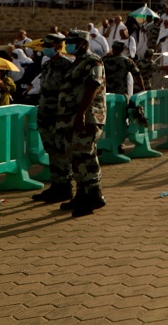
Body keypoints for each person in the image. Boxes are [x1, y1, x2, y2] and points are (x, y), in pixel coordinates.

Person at [56, 29, 108, 218]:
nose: (68, 45)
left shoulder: (92, 61)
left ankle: (94, 196)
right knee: (76, 157)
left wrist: (82, 114)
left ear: (83, 43)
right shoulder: (76, 63)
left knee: (85, 156)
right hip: (71, 118)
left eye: (72, 42)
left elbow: (93, 85)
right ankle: (82, 194)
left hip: (87, 116)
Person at [31, 33, 75, 204]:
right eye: (44, 46)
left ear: (58, 46)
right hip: (45, 113)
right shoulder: (48, 65)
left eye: (49, 45)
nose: (45, 49)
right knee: (51, 150)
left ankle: (65, 187)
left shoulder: (68, 65)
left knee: (61, 150)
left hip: (59, 115)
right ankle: (56, 185)